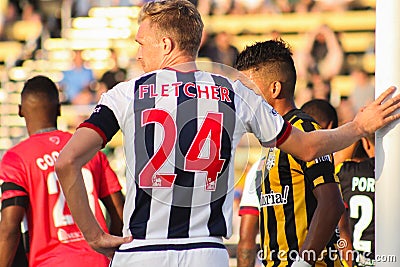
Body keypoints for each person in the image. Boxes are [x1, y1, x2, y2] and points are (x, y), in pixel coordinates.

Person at [54, 1, 400, 267]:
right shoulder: (234, 92)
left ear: (166, 42)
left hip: (143, 250)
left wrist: (95, 235)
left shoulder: (127, 93)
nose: (138, 53)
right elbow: (308, 147)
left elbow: (68, 162)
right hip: (206, 252)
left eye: (142, 43)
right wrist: (357, 127)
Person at [235, 42, 343, 267]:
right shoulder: (272, 138)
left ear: (275, 88)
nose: (242, 100)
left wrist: (302, 264)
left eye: (248, 90)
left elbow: (332, 204)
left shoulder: (304, 130)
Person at [0, 75, 125, 267]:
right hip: (97, 260)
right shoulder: (87, 150)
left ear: (20, 111)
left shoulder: (16, 158)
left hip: (49, 262)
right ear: (59, 109)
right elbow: (119, 212)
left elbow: (9, 228)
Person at [336, 133, 375, 267]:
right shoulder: (395, 174)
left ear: (366, 143)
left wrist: (360, 128)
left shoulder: (347, 173)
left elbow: (334, 162)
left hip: (356, 261)